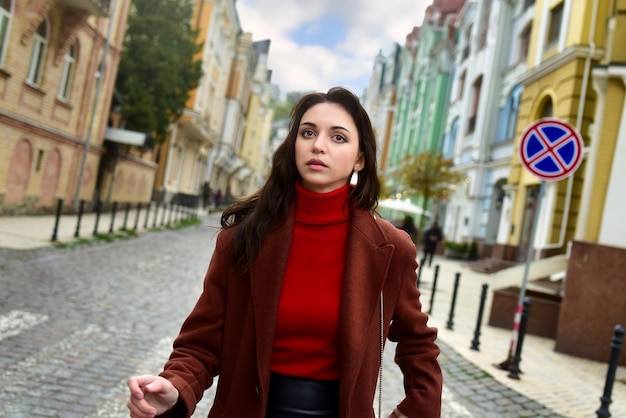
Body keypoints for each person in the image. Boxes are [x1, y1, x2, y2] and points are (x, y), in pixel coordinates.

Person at [126, 87, 442, 418]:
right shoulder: (244, 237)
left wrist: (415, 411)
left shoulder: (390, 248)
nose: (318, 145)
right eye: (308, 133)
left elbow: (418, 345)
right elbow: (201, 343)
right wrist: (174, 387)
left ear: (360, 158)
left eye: (338, 137)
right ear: (294, 145)